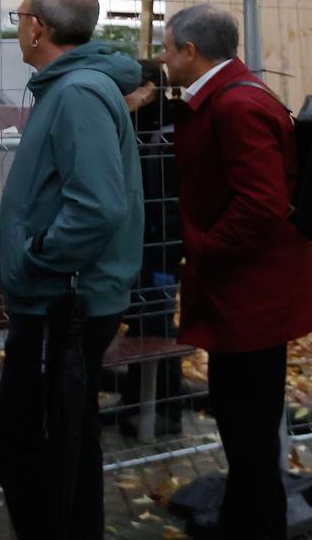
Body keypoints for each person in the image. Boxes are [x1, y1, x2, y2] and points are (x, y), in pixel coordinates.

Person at [0, 0, 144, 540]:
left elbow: (98, 206)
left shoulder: (78, 94)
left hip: (64, 302)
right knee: (64, 441)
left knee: (29, 442)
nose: (18, 25)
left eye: (19, 15)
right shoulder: (72, 88)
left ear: (38, 28)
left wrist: (38, 258)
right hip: (63, 298)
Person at [161, 4, 312, 538]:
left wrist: (203, 248)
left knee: (249, 425)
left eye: (167, 49)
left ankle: (255, 526)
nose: (162, 60)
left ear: (191, 52)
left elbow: (259, 203)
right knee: (241, 420)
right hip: (246, 290)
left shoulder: (236, 106)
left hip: (252, 293)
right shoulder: (230, 94)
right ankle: (248, 520)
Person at [112, 59, 188, 435]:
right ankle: (136, 403)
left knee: (156, 325)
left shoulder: (164, 135)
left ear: (147, 90)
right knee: (143, 325)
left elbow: (166, 204)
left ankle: (164, 412)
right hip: (144, 249)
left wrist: (166, 255)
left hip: (158, 252)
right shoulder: (139, 128)